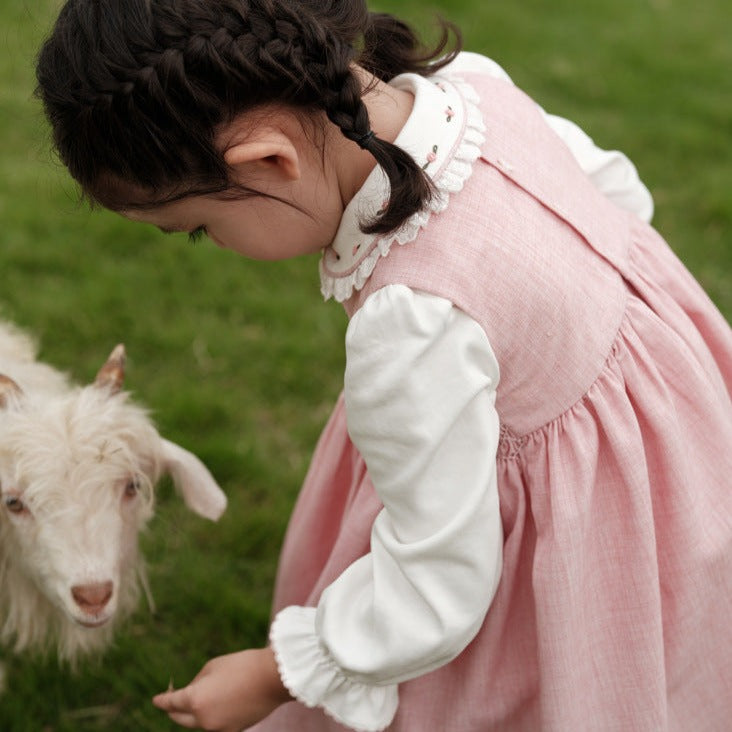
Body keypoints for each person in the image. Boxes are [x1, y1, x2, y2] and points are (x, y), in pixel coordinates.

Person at [34, 1, 732, 730]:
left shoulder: (414, 320)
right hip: (669, 450)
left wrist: (280, 673)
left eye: (200, 229)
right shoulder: (474, 86)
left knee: (527, 675)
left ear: (271, 162)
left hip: (558, 525)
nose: (209, 241)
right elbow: (621, 197)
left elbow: (439, 578)